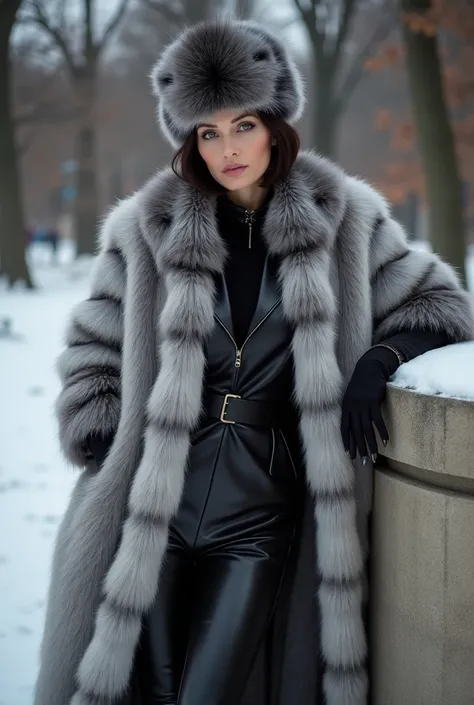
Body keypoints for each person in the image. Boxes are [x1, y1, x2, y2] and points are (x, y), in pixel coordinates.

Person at [34, 18, 473, 705]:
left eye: (243, 124)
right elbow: (93, 340)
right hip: (156, 502)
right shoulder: (145, 227)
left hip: (259, 512)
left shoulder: (346, 219)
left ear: (275, 122)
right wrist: (94, 423)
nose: (228, 148)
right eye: (208, 132)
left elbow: (443, 305)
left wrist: (378, 359)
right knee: (149, 690)